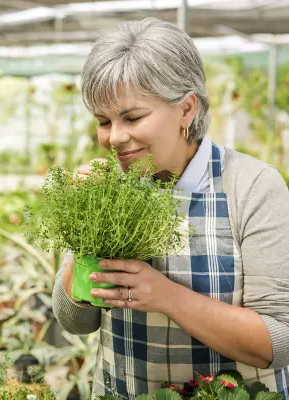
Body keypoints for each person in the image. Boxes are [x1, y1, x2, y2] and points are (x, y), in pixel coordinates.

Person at [52, 17, 289, 399]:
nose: (114, 137)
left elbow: (279, 341)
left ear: (186, 110)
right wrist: (83, 232)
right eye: (103, 121)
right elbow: (75, 320)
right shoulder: (109, 188)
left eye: (132, 117)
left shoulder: (252, 186)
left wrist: (164, 295)